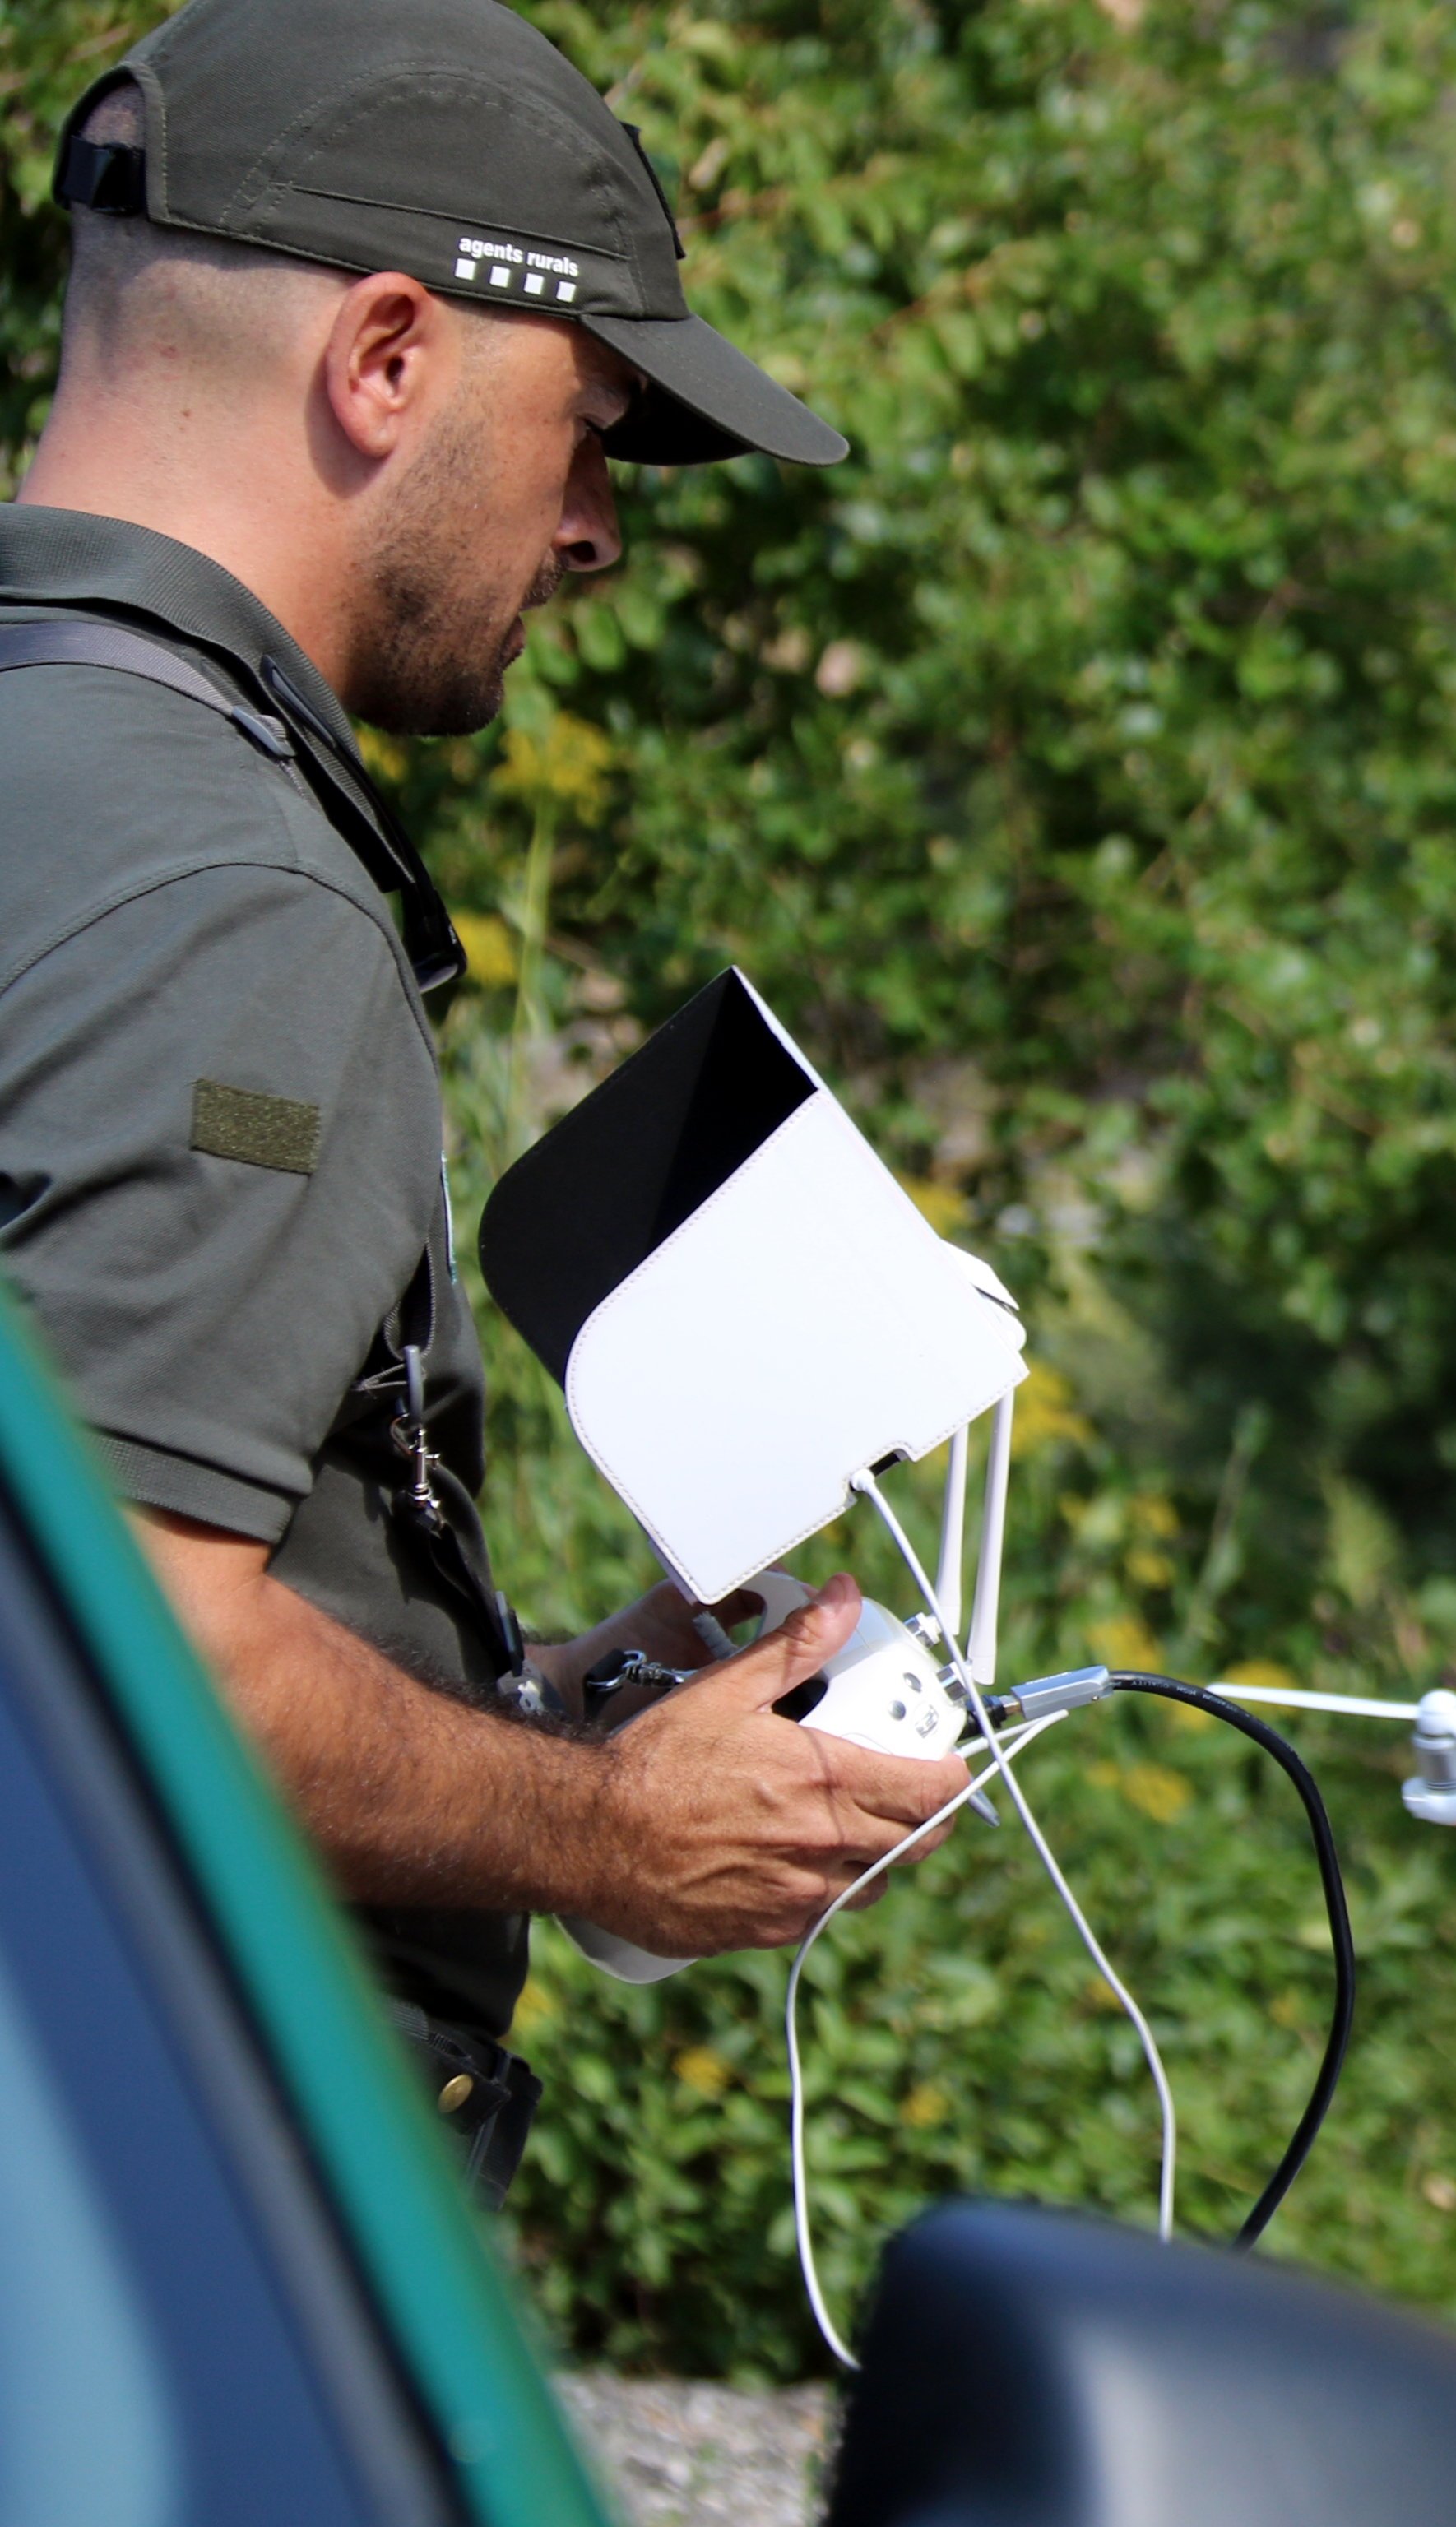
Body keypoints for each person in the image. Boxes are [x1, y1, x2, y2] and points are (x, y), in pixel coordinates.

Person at [0, 0, 966, 2202]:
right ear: (390, 360)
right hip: (173, 2219)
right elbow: (102, 1638)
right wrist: (609, 1828)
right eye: (591, 425)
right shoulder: (234, 893)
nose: (597, 527)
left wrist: (519, 1697)